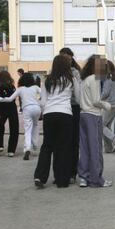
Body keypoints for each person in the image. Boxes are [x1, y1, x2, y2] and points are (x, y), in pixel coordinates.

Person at [34, 55, 80, 188]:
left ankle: (40, 177)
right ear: (67, 66)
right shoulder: (71, 80)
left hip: (49, 114)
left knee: (47, 146)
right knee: (64, 147)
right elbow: (78, 98)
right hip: (65, 114)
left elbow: (42, 101)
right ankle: (62, 179)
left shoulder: (47, 80)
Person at [78, 55, 112, 188]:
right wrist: (106, 105)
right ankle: (97, 179)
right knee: (96, 147)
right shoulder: (94, 79)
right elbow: (96, 101)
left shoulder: (85, 79)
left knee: (85, 147)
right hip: (93, 115)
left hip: (83, 114)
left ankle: (84, 177)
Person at [0, 73, 41, 160]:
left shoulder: (20, 89)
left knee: (28, 129)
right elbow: (43, 94)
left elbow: (10, 99)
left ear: (21, 80)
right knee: (35, 126)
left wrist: (0, 99)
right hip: (37, 108)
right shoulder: (35, 87)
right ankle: (35, 144)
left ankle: (27, 148)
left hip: (27, 109)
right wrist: (40, 102)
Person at [59, 47, 81, 182]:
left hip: (74, 107)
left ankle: (72, 172)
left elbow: (78, 93)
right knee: (62, 142)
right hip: (62, 108)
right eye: (62, 57)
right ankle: (62, 171)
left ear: (71, 58)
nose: (66, 59)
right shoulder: (56, 73)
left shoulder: (75, 72)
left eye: (68, 57)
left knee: (73, 141)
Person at [0, 71, 19, 157]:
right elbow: (13, 99)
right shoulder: (13, 87)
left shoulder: (0, 87)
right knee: (14, 129)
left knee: (0, 127)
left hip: (3, 109)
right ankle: (11, 151)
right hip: (12, 108)